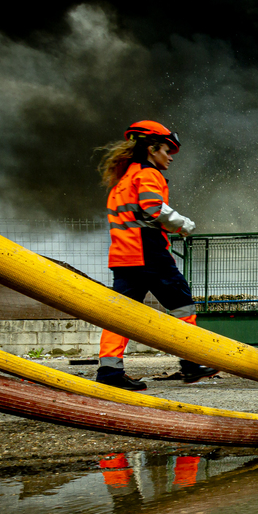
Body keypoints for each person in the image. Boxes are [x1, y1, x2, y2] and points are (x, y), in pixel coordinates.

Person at [95, 120, 217, 390]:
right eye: (166, 150)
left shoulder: (123, 180)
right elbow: (153, 208)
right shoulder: (148, 174)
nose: (170, 157)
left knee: (119, 317)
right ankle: (191, 363)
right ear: (152, 149)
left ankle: (109, 373)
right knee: (182, 304)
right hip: (148, 252)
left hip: (124, 257)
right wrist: (184, 224)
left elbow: (136, 215)